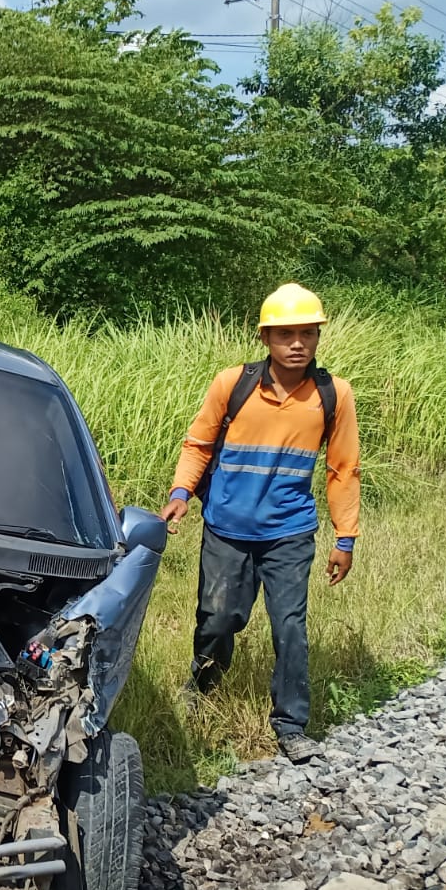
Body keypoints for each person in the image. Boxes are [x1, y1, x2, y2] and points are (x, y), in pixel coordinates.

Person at [160, 283, 361, 765]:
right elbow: (198, 444)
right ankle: (205, 684)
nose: (298, 343)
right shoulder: (233, 384)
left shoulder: (333, 395)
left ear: (317, 337)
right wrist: (181, 493)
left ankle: (291, 725)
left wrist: (346, 536)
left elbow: (343, 469)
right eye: (286, 334)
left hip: (290, 532)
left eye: (308, 333)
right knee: (219, 618)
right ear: (265, 338)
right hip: (226, 528)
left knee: (289, 626)